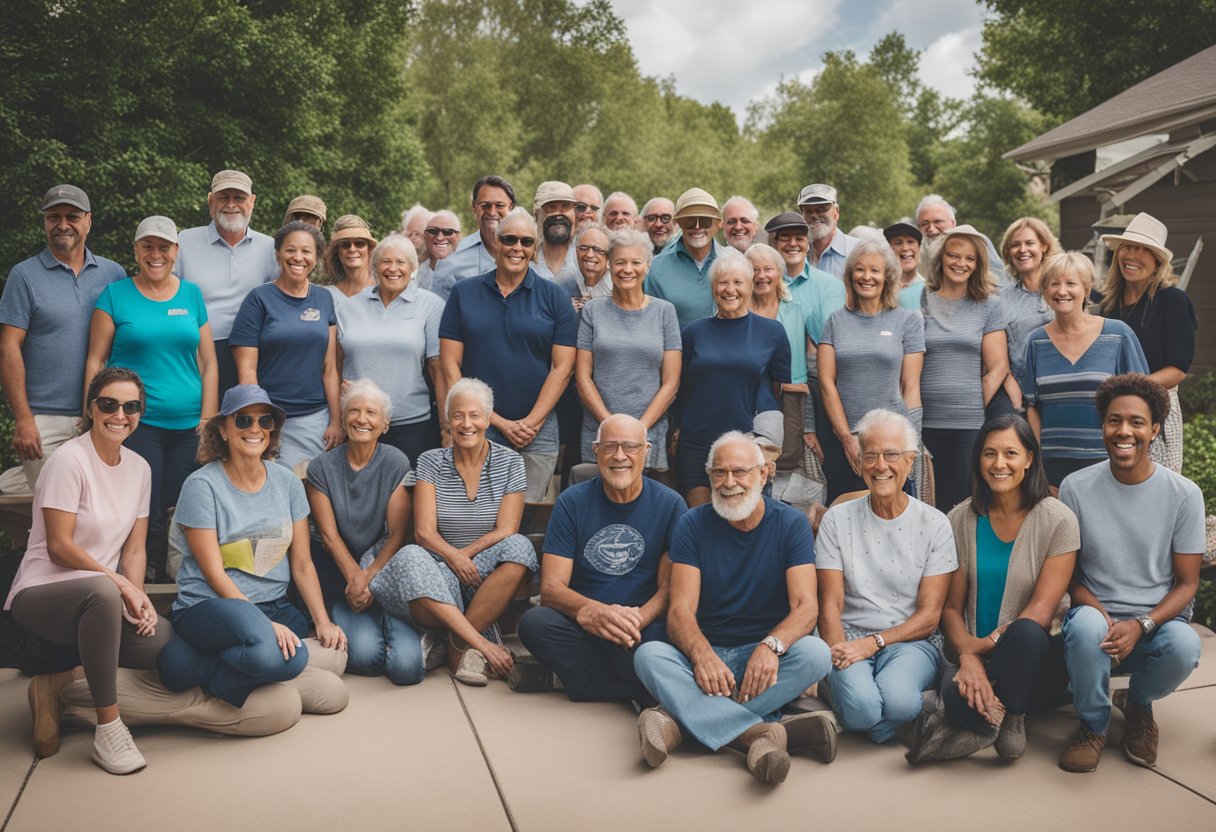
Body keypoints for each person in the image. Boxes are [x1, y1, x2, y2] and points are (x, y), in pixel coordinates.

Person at [632, 432, 835, 783]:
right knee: (648, 655)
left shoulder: (791, 524)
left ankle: (678, 724)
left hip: (765, 663)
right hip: (708, 663)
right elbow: (680, 609)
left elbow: (805, 607)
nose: (729, 483)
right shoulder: (692, 524)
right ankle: (762, 736)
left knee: (817, 654)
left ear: (763, 473)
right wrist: (701, 654)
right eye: (719, 473)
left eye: (740, 472)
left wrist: (771, 646)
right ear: (709, 476)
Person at [6, 367, 166, 773]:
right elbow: (59, 547)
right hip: (43, 592)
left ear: (139, 413)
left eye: (131, 407)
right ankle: (108, 729)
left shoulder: (140, 468)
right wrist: (118, 584)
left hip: (101, 598)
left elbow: (133, 550)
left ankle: (60, 683)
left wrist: (139, 595)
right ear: (92, 408)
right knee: (103, 593)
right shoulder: (68, 459)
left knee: (160, 641)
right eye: (108, 403)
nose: (119, 414)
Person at [156, 385, 348, 712]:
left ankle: (194, 665)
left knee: (334, 653)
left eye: (265, 422)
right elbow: (214, 573)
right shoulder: (202, 485)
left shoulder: (286, 482)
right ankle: (227, 672)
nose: (255, 429)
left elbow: (302, 565)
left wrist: (322, 621)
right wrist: (264, 625)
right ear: (224, 430)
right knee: (294, 654)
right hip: (210, 606)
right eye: (243, 420)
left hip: (274, 604)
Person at [905, 415, 1077, 763]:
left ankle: (1011, 715)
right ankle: (981, 723)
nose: (999, 464)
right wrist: (968, 657)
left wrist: (978, 649)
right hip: (973, 663)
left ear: (1029, 459)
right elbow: (950, 608)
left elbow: (1041, 613)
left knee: (1026, 633)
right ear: (978, 459)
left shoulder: (1058, 520)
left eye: (1011, 454)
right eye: (989, 454)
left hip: (1035, 665)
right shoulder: (959, 519)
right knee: (958, 696)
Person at [1057, 374, 1204, 773]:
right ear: (1102, 426)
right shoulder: (1075, 487)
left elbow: (1188, 583)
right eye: (1114, 420)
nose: (1125, 431)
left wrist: (1142, 623)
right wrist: (1102, 614)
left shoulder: (1184, 494)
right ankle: (1093, 725)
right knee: (1086, 628)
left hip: (1157, 615)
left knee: (1186, 647)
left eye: (1137, 422)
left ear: (1155, 429)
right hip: (1096, 609)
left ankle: (1138, 705)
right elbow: (1070, 576)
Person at [365, 378, 537, 686]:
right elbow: (424, 533)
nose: (466, 423)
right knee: (412, 555)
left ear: (487, 418)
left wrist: (466, 556)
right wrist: (453, 558)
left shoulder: (510, 462)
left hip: (482, 574)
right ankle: (481, 642)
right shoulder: (431, 461)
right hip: (439, 571)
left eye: (474, 415)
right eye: (458, 415)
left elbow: (507, 529)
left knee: (520, 546)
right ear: (448, 419)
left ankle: (456, 644)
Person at [512, 414, 686, 698]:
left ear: (647, 451)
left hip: (639, 627)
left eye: (630, 446)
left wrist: (637, 620)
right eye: (610, 447)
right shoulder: (572, 502)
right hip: (585, 625)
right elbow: (552, 589)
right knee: (535, 624)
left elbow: (671, 587)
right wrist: (594, 612)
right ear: (595, 451)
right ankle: (635, 688)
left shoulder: (671, 505)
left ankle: (577, 682)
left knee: (661, 644)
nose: (620, 456)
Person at [83, 216, 218, 579]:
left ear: (176, 251)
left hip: (189, 424)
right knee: (147, 506)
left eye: (164, 247)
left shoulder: (191, 294)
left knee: (181, 506)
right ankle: (142, 580)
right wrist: (92, 414)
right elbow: (96, 359)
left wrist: (207, 419)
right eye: (148, 246)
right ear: (136, 251)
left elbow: (208, 363)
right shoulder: (115, 295)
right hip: (134, 423)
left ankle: (179, 581)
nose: (156, 254)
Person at [816, 409, 957, 744]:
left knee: (898, 702)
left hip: (911, 642)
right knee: (863, 708)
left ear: (911, 460)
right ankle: (866, 704)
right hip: (848, 638)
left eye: (892, 455)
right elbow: (830, 605)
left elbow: (929, 617)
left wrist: (874, 644)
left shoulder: (935, 524)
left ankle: (850, 707)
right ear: (859, 462)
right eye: (871, 455)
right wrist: (839, 652)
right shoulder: (837, 520)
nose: (881, 466)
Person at [439, 208, 578, 502]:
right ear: (496, 243)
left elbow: (563, 367)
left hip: (537, 431)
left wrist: (532, 422)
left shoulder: (555, 298)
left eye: (526, 242)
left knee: (526, 516)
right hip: (476, 425)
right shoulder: (464, 294)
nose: (517, 248)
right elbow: (450, 366)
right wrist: (495, 421)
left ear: (534, 247)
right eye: (509, 239)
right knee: (475, 510)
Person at [0, 185, 125, 494]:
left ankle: (12, 486)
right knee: (55, 512)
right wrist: (24, 419)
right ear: (44, 222)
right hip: (44, 418)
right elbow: (8, 347)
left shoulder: (114, 274)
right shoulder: (24, 276)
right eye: (54, 217)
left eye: (72, 216)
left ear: (88, 221)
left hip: (102, 414)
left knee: (97, 508)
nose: (63, 224)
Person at [307, 379, 420, 685]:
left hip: (383, 574)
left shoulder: (396, 462)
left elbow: (398, 534)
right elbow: (329, 538)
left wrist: (368, 578)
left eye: (371, 413)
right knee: (365, 659)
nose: (361, 419)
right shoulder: (321, 468)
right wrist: (355, 581)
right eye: (354, 411)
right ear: (343, 419)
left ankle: (395, 627)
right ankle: (373, 631)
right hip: (341, 579)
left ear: (385, 424)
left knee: (407, 670)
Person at [674, 250, 791, 507]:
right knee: (700, 522)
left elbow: (779, 391)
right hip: (697, 441)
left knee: (745, 521)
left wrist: (768, 447)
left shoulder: (772, 333)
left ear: (750, 286)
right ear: (713, 288)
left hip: (749, 442)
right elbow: (682, 388)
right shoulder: (694, 332)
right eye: (722, 282)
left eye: (738, 282)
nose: (730, 290)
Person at [1022, 252, 1147, 486]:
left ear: (1086, 289)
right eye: (1054, 284)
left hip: (1107, 461)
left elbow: (1142, 400)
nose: (1062, 291)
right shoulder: (1035, 342)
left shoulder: (1118, 334)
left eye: (1071, 283)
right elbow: (1032, 408)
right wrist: (1037, 460)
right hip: (1053, 466)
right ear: (1045, 290)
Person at [818, 241, 924, 501]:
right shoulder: (835, 321)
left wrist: (911, 442)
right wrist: (847, 439)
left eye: (875, 271)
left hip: (891, 443)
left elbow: (910, 387)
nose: (867, 277)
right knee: (846, 519)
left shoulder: (908, 321)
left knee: (892, 516)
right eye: (860, 270)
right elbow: (826, 382)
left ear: (887, 276)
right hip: (845, 441)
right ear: (850, 275)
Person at [231, 222, 342, 471]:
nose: (298, 258)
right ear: (278, 254)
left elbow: (330, 368)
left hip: (314, 419)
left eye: (306, 251)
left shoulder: (324, 299)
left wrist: (336, 421)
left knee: (312, 493)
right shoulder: (258, 299)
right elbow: (247, 372)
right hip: (270, 418)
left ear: (317, 257)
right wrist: (257, 421)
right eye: (291, 250)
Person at [1098, 213, 1197, 473]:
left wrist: (1126, 388)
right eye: (1128, 247)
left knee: (1154, 487)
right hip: (1112, 411)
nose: (1132, 255)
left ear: (1157, 262)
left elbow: (1177, 370)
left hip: (1156, 409)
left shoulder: (1173, 301)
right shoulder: (1108, 305)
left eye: (1142, 250)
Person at [575, 230, 681, 471]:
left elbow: (671, 383)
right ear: (609, 265)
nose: (627, 269)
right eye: (620, 262)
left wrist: (638, 430)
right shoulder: (592, 310)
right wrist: (611, 427)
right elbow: (582, 378)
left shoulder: (665, 312)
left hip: (648, 433)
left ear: (648, 266)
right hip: (600, 432)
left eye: (636, 262)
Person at [920, 224, 1009, 511]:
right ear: (941, 258)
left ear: (978, 264)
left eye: (969, 258)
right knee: (929, 503)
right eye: (954, 256)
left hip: (967, 424)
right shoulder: (922, 298)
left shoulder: (989, 305)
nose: (961, 263)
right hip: (924, 422)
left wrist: (971, 400)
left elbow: (998, 367)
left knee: (965, 505)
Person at [336, 233, 445, 464]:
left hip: (412, 425)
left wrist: (447, 427)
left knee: (406, 497)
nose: (392, 268)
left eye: (400, 262)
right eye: (386, 262)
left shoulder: (431, 305)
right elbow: (333, 364)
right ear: (375, 266)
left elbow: (438, 369)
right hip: (357, 424)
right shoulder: (348, 307)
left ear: (412, 268)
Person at [175, 169, 278, 397]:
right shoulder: (184, 241)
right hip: (195, 355)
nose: (231, 204)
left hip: (253, 356)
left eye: (239, 198)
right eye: (224, 197)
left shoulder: (270, 248)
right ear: (211, 201)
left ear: (252, 202)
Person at [744, 243, 815, 484]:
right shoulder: (735, 311)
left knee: (782, 467)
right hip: (743, 399)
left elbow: (809, 372)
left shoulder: (797, 312)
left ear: (780, 272)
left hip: (789, 401)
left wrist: (809, 426)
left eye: (768, 269)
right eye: (754, 269)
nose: (762, 276)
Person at [997, 217, 1060, 415]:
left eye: (1029, 243)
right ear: (1008, 252)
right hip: (1018, 392)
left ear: (1044, 246)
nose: (1022, 250)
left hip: (1058, 386)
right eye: (1015, 245)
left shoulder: (1063, 288)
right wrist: (1015, 395)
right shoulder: (1000, 299)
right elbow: (998, 354)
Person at [644, 188, 725, 331]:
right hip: (678, 352)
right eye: (690, 220)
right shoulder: (658, 267)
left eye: (705, 220)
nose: (697, 227)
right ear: (678, 223)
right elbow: (652, 324)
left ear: (717, 223)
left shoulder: (734, 261)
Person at [430, 175, 517, 300]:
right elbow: (440, 316)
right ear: (474, 207)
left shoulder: (528, 254)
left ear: (511, 208)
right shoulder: (451, 260)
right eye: (485, 205)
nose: (492, 212)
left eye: (499, 205)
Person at [915, 194, 1005, 284]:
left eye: (938, 222)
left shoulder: (975, 244)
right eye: (925, 223)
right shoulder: (916, 256)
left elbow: (999, 282)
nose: (931, 228)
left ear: (953, 223)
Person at [796, 183, 859, 279]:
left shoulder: (858, 251)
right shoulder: (796, 253)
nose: (814, 215)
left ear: (836, 212)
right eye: (808, 211)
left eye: (821, 209)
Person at [320, 215, 378, 306]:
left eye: (359, 243)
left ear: (369, 248)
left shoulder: (384, 289)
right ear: (336, 251)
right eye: (345, 244)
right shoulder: (326, 295)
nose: (352, 249)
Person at [532, 181, 579, 281]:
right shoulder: (525, 261)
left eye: (565, 206)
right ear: (537, 214)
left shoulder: (586, 259)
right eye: (551, 207)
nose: (558, 214)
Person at [560, 224, 613, 311]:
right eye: (584, 248)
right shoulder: (565, 281)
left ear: (608, 256)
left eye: (597, 250)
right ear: (576, 252)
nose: (589, 255)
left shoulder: (617, 284)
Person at [415, 210, 462, 293]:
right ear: (424, 235)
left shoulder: (470, 272)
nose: (440, 238)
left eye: (448, 232)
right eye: (433, 231)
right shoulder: (416, 271)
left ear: (459, 236)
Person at [883, 221, 926, 310]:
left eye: (910, 242)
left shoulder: (930, 290)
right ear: (890, 249)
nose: (905, 248)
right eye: (898, 243)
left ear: (920, 248)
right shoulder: (880, 288)